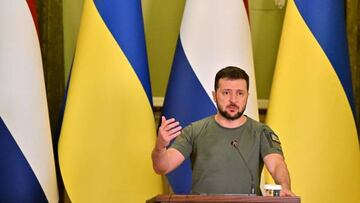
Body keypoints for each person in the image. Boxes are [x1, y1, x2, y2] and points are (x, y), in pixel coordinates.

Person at [152, 66, 295, 196]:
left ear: (247, 96)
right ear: (215, 95)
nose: (233, 100)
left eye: (240, 93)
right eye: (226, 93)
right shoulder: (194, 131)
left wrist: (284, 186)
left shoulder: (261, 132)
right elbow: (162, 167)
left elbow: (277, 164)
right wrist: (160, 146)